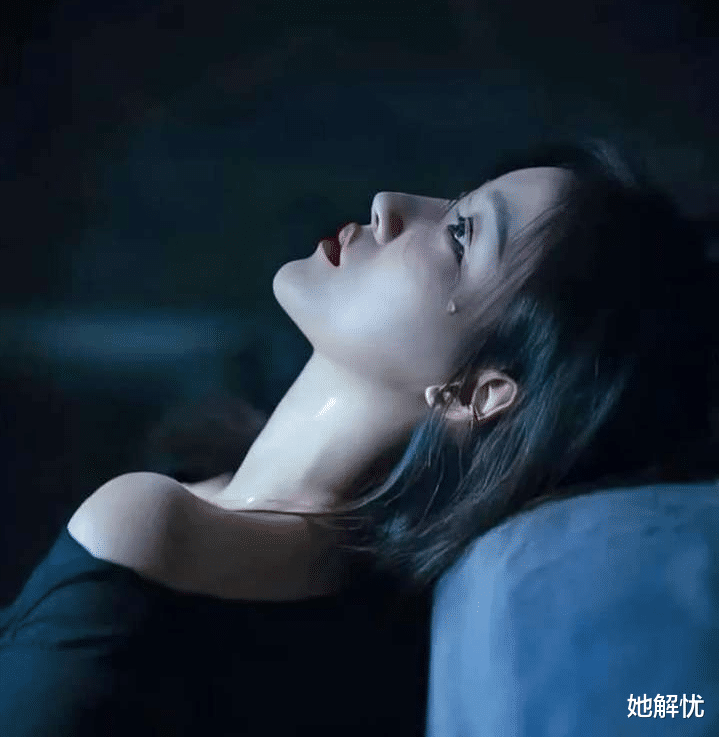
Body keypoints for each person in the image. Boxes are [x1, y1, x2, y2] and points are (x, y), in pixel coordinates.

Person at [0, 140, 715, 736]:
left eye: (461, 234)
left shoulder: (149, 527)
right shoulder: (353, 596)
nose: (388, 204)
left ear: (478, 392)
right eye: (452, 203)